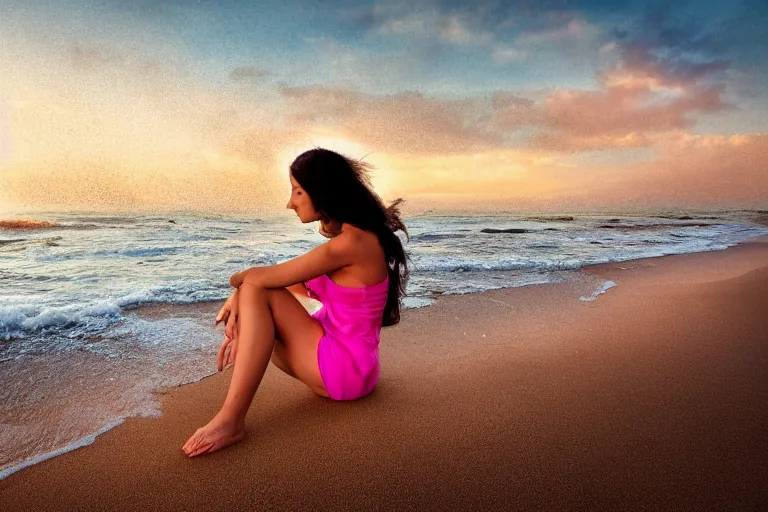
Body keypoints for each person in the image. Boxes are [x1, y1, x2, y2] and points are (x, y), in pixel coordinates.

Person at [182, 148, 410, 457]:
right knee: (256, 292)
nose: (291, 202)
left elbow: (259, 277)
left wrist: (237, 286)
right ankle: (231, 416)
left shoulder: (348, 244)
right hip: (356, 369)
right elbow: (288, 282)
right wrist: (243, 300)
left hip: (343, 371)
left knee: (255, 289)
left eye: (298, 191)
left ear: (323, 191)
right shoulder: (359, 238)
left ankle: (230, 421)